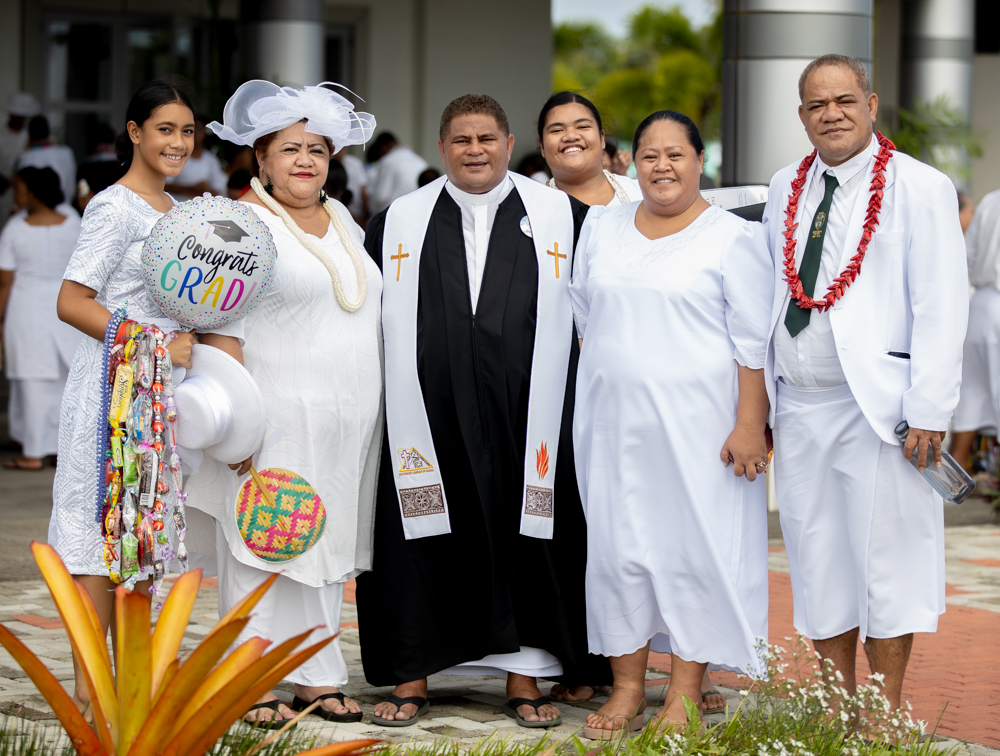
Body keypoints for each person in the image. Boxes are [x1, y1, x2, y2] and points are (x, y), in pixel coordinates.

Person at [357, 93, 611, 729]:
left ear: (507, 142)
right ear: (442, 148)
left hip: (531, 414)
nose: (475, 150)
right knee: (419, 531)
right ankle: (412, 677)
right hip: (425, 414)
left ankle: (524, 678)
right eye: (462, 140)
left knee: (523, 529)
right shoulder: (396, 222)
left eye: (487, 139)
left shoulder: (562, 216)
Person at [762, 54, 968, 714]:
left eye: (844, 100)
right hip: (799, 402)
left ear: (872, 105)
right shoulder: (782, 186)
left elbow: (942, 303)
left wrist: (930, 407)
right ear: (801, 117)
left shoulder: (921, 186)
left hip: (881, 408)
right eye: (817, 105)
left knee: (888, 562)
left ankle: (881, 713)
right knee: (818, 558)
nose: (832, 114)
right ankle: (833, 703)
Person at [184, 79, 382, 727]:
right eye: (290, 148)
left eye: (318, 150)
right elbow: (217, 328)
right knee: (264, 544)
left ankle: (317, 676)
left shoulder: (344, 220)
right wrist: (237, 429)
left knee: (322, 549)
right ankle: (250, 679)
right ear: (261, 156)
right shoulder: (242, 224)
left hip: (344, 422)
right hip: (271, 418)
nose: (305, 160)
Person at [570, 110, 772, 739]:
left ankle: (684, 690)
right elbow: (583, 317)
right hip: (610, 424)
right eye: (649, 154)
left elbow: (752, 343)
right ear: (630, 161)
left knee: (694, 552)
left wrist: (749, 424)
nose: (661, 166)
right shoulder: (602, 225)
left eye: (675, 154)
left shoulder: (731, 238)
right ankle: (629, 687)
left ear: (699, 160)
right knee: (617, 551)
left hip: (699, 431)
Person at [50, 76, 243, 718]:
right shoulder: (115, 206)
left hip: (160, 393)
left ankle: (128, 686)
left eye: (188, 131)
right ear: (134, 133)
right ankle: (89, 693)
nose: (179, 142)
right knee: (97, 535)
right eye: (165, 129)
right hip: (113, 391)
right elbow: (72, 302)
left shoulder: (176, 213)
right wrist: (157, 342)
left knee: (139, 536)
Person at [0, 167, 83, 469]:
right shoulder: (74, 223)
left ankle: (33, 452)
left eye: (20, 189)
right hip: (68, 305)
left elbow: (5, 281)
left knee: (32, 381)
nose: (16, 195)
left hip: (27, 308)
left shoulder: (15, 228)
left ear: (33, 192)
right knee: (66, 382)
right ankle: (65, 451)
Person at [950, 188, 1000, 470]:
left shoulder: (991, 200)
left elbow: (966, 257)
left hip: (980, 307)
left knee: (970, 394)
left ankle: (957, 472)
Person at [538, 92, 642, 207]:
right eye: (557, 130)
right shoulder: (528, 206)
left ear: (602, 138)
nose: (571, 136)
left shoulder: (641, 195)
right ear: (542, 146)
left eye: (583, 127)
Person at [16, 116, 77, 218]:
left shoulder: (26, 157)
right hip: (66, 210)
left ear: (29, 135)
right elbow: (71, 186)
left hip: (37, 214)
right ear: (49, 132)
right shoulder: (67, 153)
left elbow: (21, 191)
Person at [0, 93, 40, 228]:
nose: (20, 120)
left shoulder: (30, 137)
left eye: (23, 117)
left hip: (25, 194)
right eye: (18, 116)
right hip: (3, 193)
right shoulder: (1, 137)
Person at [367, 131, 428, 214]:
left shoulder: (388, 161)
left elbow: (381, 198)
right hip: (419, 212)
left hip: (395, 214)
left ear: (383, 146)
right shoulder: (420, 161)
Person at [165, 117, 228, 197]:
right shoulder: (177, 156)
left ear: (205, 133)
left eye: (198, 129)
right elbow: (165, 185)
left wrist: (201, 191)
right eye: (190, 130)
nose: (195, 133)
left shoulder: (211, 160)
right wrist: (193, 188)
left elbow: (217, 189)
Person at [333, 146, 369, 227]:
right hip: (334, 209)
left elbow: (363, 188)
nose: (342, 151)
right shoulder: (325, 164)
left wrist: (365, 211)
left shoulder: (354, 163)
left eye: (344, 148)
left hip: (356, 211)